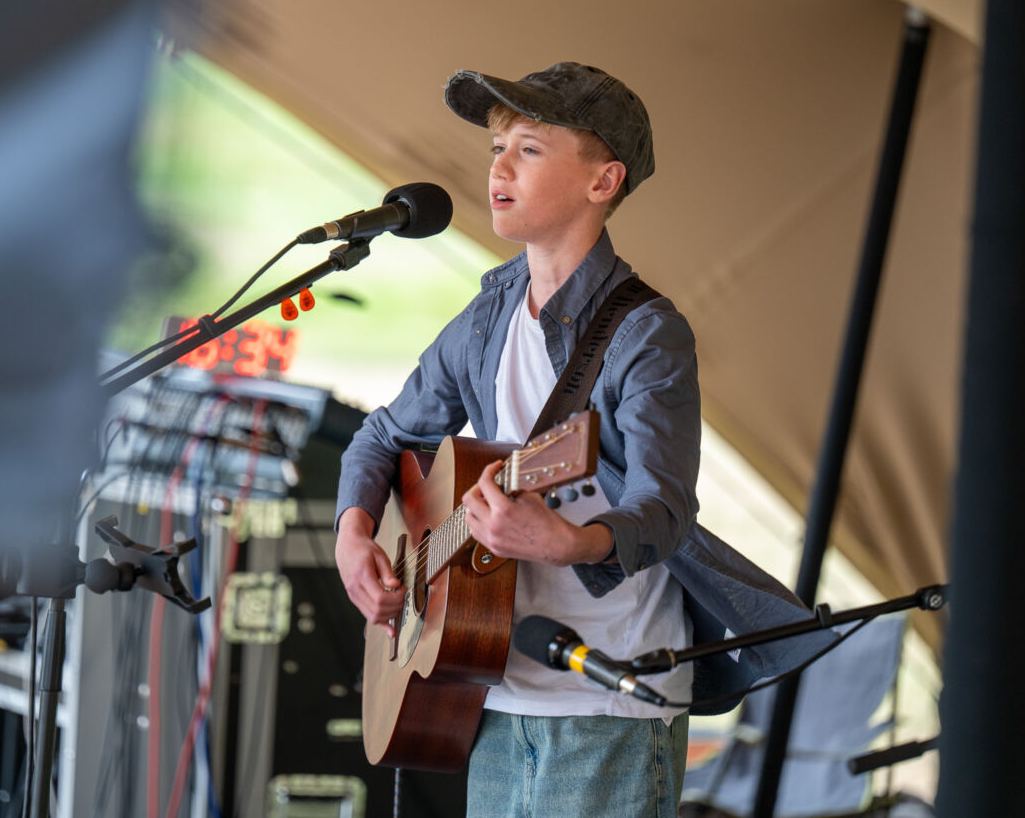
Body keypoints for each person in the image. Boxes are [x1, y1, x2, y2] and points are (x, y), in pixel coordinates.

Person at [335, 62, 822, 816]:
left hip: (611, 697)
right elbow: (381, 437)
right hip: (495, 690)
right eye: (496, 147)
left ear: (603, 182)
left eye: (528, 148)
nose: (498, 165)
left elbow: (663, 510)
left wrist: (566, 542)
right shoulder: (487, 316)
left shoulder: (647, 335)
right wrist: (353, 532)